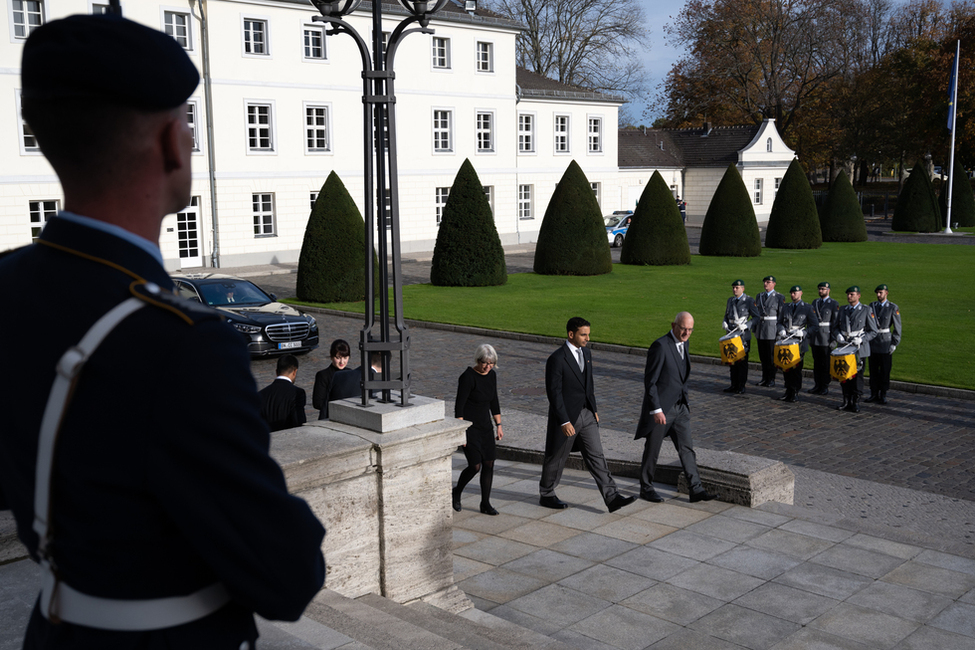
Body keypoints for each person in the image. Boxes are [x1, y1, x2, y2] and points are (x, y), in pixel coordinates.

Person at [0, 15, 325, 648]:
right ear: (171, 144)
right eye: (188, 122)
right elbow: (286, 577)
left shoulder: (6, 284)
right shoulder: (185, 343)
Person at [539, 317, 635, 513]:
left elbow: (588, 385)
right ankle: (547, 493)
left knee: (597, 456)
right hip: (567, 418)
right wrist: (564, 421)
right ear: (571, 334)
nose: (587, 338)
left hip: (587, 414)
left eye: (588, 334)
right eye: (583, 334)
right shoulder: (557, 359)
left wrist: (595, 409)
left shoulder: (587, 353)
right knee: (556, 456)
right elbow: (554, 393)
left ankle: (612, 497)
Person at [634, 313, 717, 503]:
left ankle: (696, 490)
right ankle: (646, 488)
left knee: (687, 449)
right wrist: (656, 410)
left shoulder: (684, 343)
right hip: (662, 410)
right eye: (683, 328)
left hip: (681, 410)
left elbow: (680, 377)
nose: (686, 333)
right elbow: (651, 382)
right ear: (673, 325)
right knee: (653, 450)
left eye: (690, 330)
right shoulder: (660, 346)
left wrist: (685, 404)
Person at [452, 344, 503, 516]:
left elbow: (494, 401)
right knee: (475, 466)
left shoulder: (492, 375)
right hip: (470, 427)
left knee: (489, 463)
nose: (488, 366)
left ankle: (485, 503)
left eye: (491, 363)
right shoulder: (467, 377)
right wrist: (461, 432)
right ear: (477, 360)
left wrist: (499, 425)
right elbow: (459, 407)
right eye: (484, 363)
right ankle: (457, 491)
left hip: (485, 427)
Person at [831, 286, 879, 413]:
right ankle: (846, 400)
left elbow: (873, 331)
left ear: (859, 295)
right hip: (844, 347)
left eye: (852, 294)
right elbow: (834, 327)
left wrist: (862, 339)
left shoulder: (866, 310)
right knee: (844, 375)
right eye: (848, 294)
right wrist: (838, 335)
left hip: (859, 348)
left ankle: (855, 401)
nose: (849, 296)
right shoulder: (842, 310)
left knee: (857, 377)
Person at [866, 284, 901, 404]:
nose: (878, 295)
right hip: (873, 342)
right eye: (877, 293)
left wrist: (894, 343)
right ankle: (873, 393)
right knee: (873, 370)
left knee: (885, 370)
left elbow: (897, 327)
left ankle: (883, 394)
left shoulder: (892, 307)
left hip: (885, 342)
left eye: (881, 292)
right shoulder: (872, 306)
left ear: (886, 293)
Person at [775, 286, 809, 403]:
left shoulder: (807, 308)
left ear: (801, 293)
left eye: (795, 293)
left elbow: (814, 326)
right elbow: (779, 322)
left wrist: (803, 332)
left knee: (796, 369)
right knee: (786, 368)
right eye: (792, 293)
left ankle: (795, 391)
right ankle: (788, 390)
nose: (793, 295)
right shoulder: (786, 307)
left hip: (798, 343)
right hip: (786, 341)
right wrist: (781, 329)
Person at [751, 275, 785, 387]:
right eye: (765, 282)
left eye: (769, 282)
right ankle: (764, 378)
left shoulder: (779, 297)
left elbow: (781, 315)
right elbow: (756, 313)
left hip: (772, 329)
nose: (766, 284)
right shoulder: (759, 296)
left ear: (774, 284)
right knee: (763, 356)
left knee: (771, 356)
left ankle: (771, 378)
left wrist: (780, 330)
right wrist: (755, 329)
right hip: (761, 328)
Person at [259, 354, 308, 432]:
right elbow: (299, 422)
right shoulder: (297, 393)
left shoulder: (261, 394)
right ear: (295, 371)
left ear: (276, 372)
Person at [721, 279, 753, 394]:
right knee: (732, 361)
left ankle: (741, 385)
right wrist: (724, 322)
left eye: (737, 288)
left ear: (743, 288)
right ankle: (733, 384)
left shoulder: (749, 300)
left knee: (742, 362)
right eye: (733, 287)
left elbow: (756, 317)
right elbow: (726, 314)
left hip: (743, 335)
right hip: (731, 333)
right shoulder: (730, 300)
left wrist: (747, 325)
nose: (735, 289)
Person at [807, 282, 839, 395]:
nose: (821, 291)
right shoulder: (815, 302)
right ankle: (817, 384)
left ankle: (824, 386)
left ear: (828, 290)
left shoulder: (833, 304)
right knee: (817, 363)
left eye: (823, 289)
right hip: (815, 337)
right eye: (819, 289)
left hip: (826, 338)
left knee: (825, 364)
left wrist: (833, 340)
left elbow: (835, 324)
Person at [312, 339, 351, 419]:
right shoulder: (323, 375)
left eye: (345, 357)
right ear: (331, 356)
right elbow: (317, 402)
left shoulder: (351, 373)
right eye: (338, 357)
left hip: (349, 417)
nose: (342, 361)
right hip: (329, 417)